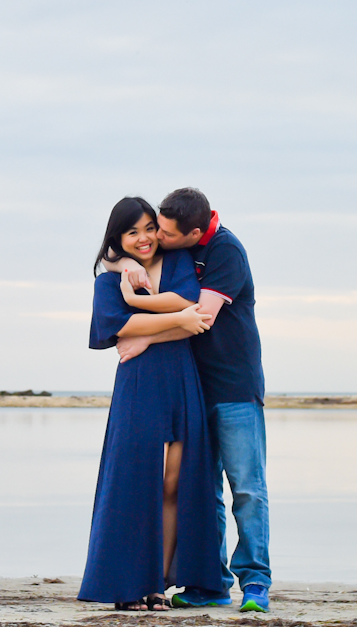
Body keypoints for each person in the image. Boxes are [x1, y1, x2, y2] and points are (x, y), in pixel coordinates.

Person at [114, 187, 270, 613]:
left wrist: (142, 336)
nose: (157, 238)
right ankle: (211, 584)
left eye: (164, 232)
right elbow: (115, 251)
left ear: (194, 232)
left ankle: (255, 584)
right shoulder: (182, 248)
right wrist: (128, 263)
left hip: (234, 387)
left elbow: (198, 318)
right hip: (192, 389)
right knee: (203, 492)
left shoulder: (225, 251)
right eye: (157, 229)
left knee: (247, 489)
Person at [78, 196, 226, 611]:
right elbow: (118, 327)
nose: (144, 238)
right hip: (140, 383)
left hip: (181, 376)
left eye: (148, 228)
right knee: (137, 482)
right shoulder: (108, 280)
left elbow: (190, 305)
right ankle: (129, 586)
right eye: (132, 232)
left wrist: (149, 309)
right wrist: (175, 317)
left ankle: (158, 584)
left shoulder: (177, 262)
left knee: (174, 483)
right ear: (118, 238)